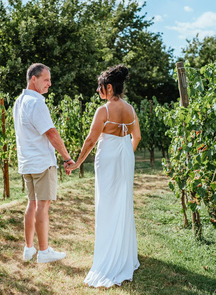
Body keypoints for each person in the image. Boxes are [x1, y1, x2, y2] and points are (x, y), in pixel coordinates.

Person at [67, 64, 141, 287]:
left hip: (108, 158)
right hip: (125, 157)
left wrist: (77, 162)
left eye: (99, 88)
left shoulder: (104, 111)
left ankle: (109, 257)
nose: (98, 92)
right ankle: (124, 253)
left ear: (109, 88)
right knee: (123, 202)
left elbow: (90, 141)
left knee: (107, 204)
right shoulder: (130, 109)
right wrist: (125, 153)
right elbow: (136, 137)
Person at [13, 63, 75, 263]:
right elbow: (51, 133)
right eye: (46, 79)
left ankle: (29, 249)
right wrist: (67, 157)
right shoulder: (36, 102)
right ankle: (44, 251)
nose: (50, 84)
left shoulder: (18, 101)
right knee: (43, 206)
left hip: (27, 162)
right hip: (41, 162)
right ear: (34, 79)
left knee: (32, 203)